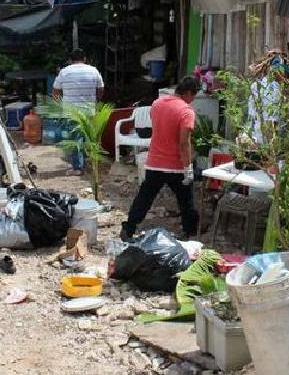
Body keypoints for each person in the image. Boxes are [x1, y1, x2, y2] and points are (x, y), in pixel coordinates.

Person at [121, 77, 199, 241]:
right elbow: (184, 143)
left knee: (144, 198)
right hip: (175, 166)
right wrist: (188, 169)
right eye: (193, 96)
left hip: (154, 163)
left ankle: (129, 228)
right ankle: (189, 234)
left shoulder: (157, 104)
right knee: (186, 201)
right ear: (188, 93)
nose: (193, 100)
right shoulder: (186, 111)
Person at [52, 49, 104, 173]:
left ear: (70, 60)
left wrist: (60, 104)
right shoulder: (93, 70)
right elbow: (101, 89)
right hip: (89, 111)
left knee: (76, 138)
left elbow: (55, 92)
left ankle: (78, 167)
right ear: (84, 58)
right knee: (85, 137)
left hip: (71, 112)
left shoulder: (64, 72)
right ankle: (84, 162)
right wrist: (96, 100)